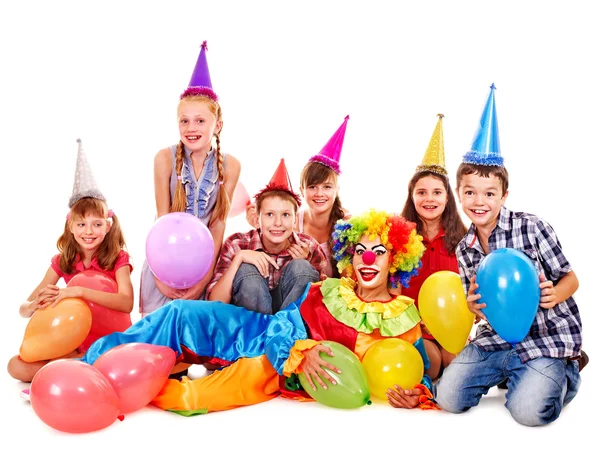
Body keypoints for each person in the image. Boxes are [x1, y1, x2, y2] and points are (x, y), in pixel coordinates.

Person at [78, 209, 437, 415]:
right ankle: (89, 364)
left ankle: (121, 382)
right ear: (350, 256)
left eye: (379, 251)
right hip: (258, 333)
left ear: (396, 261)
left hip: (269, 370)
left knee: (193, 399)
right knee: (181, 314)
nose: (367, 258)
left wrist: (415, 394)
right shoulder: (329, 290)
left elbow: (413, 369)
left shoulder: (403, 316)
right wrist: (302, 350)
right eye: (359, 250)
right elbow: (285, 322)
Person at [435, 84, 585, 426]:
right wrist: (473, 307)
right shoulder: (465, 248)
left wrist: (554, 294)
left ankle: (565, 373)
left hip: (546, 339)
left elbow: (571, 278)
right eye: (470, 192)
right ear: (459, 194)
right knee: (448, 397)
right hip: (497, 340)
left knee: (529, 413)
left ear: (504, 194)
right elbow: (478, 302)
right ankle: (516, 374)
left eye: (489, 193)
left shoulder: (532, 227)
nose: (479, 201)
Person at [7, 140, 134, 383]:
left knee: (109, 362)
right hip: (76, 342)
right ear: (71, 226)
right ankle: (78, 366)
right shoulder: (63, 261)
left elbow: (126, 303)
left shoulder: (118, 258)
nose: (89, 231)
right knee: (16, 367)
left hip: (112, 340)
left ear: (107, 227)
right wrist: (33, 306)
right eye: (82, 224)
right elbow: (25, 306)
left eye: (97, 224)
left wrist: (77, 291)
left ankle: (80, 368)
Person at [140, 41, 241, 316]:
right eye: (184, 121)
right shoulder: (164, 158)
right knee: (159, 343)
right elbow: (162, 220)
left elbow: (218, 223)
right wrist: (160, 276)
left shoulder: (230, 165)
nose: (191, 128)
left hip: (202, 268)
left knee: (194, 344)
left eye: (200, 121)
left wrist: (206, 277)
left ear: (217, 125)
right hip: (164, 264)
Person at [206, 158, 327, 314]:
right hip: (250, 328)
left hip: (290, 329)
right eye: (269, 214)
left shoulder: (309, 246)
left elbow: (324, 303)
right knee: (246, 268)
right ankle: (259, 334)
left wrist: (307, 265)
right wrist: (239, 259)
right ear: (257, 218)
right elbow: (214, 303)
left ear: (295, 219)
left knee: (302, 267)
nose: (278, 223)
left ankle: (283, 334)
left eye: (285, 215)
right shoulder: (237, 243)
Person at [400, 114, 467, 379]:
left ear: (448, 197)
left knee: (456, 363)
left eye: (437, 192)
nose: (429, 198)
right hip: (413, 327)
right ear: (412, 196)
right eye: (421, 192)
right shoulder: (400, 238)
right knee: (432, 363)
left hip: (453, 327)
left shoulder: (464, 240)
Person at [246, 116, 351, 277]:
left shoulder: (346, 224)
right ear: (302, 190)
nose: (319, 194)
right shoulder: (293, 221)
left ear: (337, 189)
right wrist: (259, 224)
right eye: (313, 187)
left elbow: (350, 278)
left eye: (327, 187)